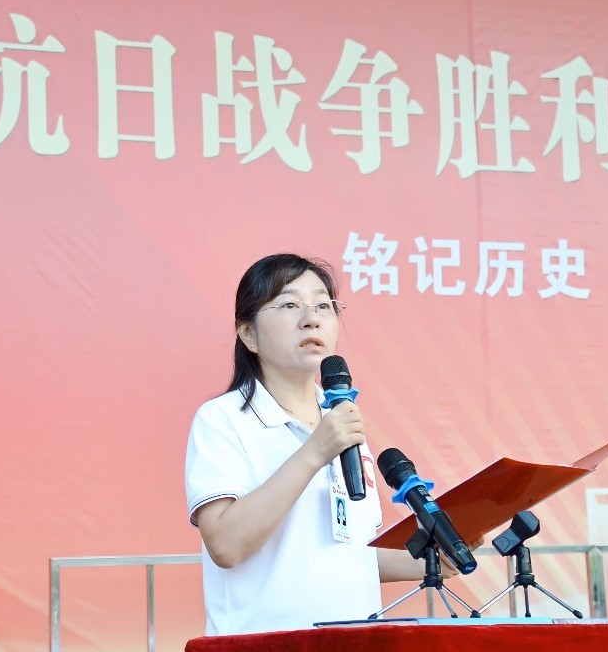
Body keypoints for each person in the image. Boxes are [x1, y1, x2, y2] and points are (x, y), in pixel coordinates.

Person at [184, 253, 442, 636]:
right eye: (290, 305)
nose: (311, 318)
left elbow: (349, 555)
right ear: (249, 334)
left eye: (323, 305)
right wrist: (315, 452)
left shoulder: (340, 421)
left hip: (354, 643)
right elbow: (225, 544)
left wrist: (432, 559)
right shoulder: (223, 419)